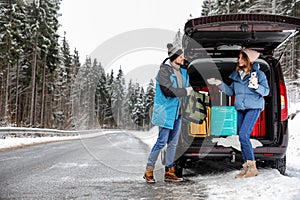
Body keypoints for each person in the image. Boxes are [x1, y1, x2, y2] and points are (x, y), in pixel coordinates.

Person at [207, 48, 270, 178]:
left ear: (249, 60)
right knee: (241, 138)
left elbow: (266, 92)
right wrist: (219, 83)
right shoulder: (236, 75)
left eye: (242, 58)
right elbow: (231, 92)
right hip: (241, 108)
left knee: (243, 135)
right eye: (239, 57)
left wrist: (256, 86)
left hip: (253, 107)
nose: (239, 60)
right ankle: (247, 166)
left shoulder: (259, 75)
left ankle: (252, 167)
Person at [143, 43, 193, 183]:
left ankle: (169, 172)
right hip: (165, 112)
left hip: (178, 112)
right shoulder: (164, 71)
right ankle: (149, 171)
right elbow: (168, 91)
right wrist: (185, 91)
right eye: (181, 56)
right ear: (174, 57)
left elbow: (187, 87)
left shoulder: (183, 72)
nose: (183, 58)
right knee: (161, 141)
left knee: (173, 143)